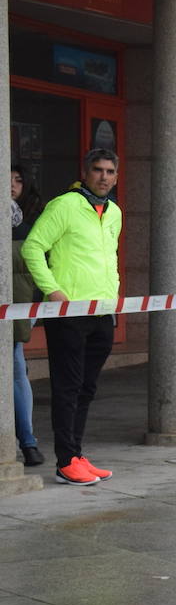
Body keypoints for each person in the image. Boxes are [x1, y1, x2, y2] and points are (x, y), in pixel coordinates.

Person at [20, 148, 122, 485]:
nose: (104, 176)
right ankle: (65, 461)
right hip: (68, 312)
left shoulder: (114, 212)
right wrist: (53, 291)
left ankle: (76, 454)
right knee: (68, 386)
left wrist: (114, 297)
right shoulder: (65, 205)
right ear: (85, 171)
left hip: (102, 312)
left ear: (116, 176)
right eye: (98, 170)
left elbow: (110, 258)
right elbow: (32, 246)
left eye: (110, 171)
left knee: (87, 388)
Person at [11, 165, 43, 467]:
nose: (11, 186)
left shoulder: (32, 218)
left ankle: (28, 441)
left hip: (19, 307)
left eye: (17, 180)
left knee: (17, 370)